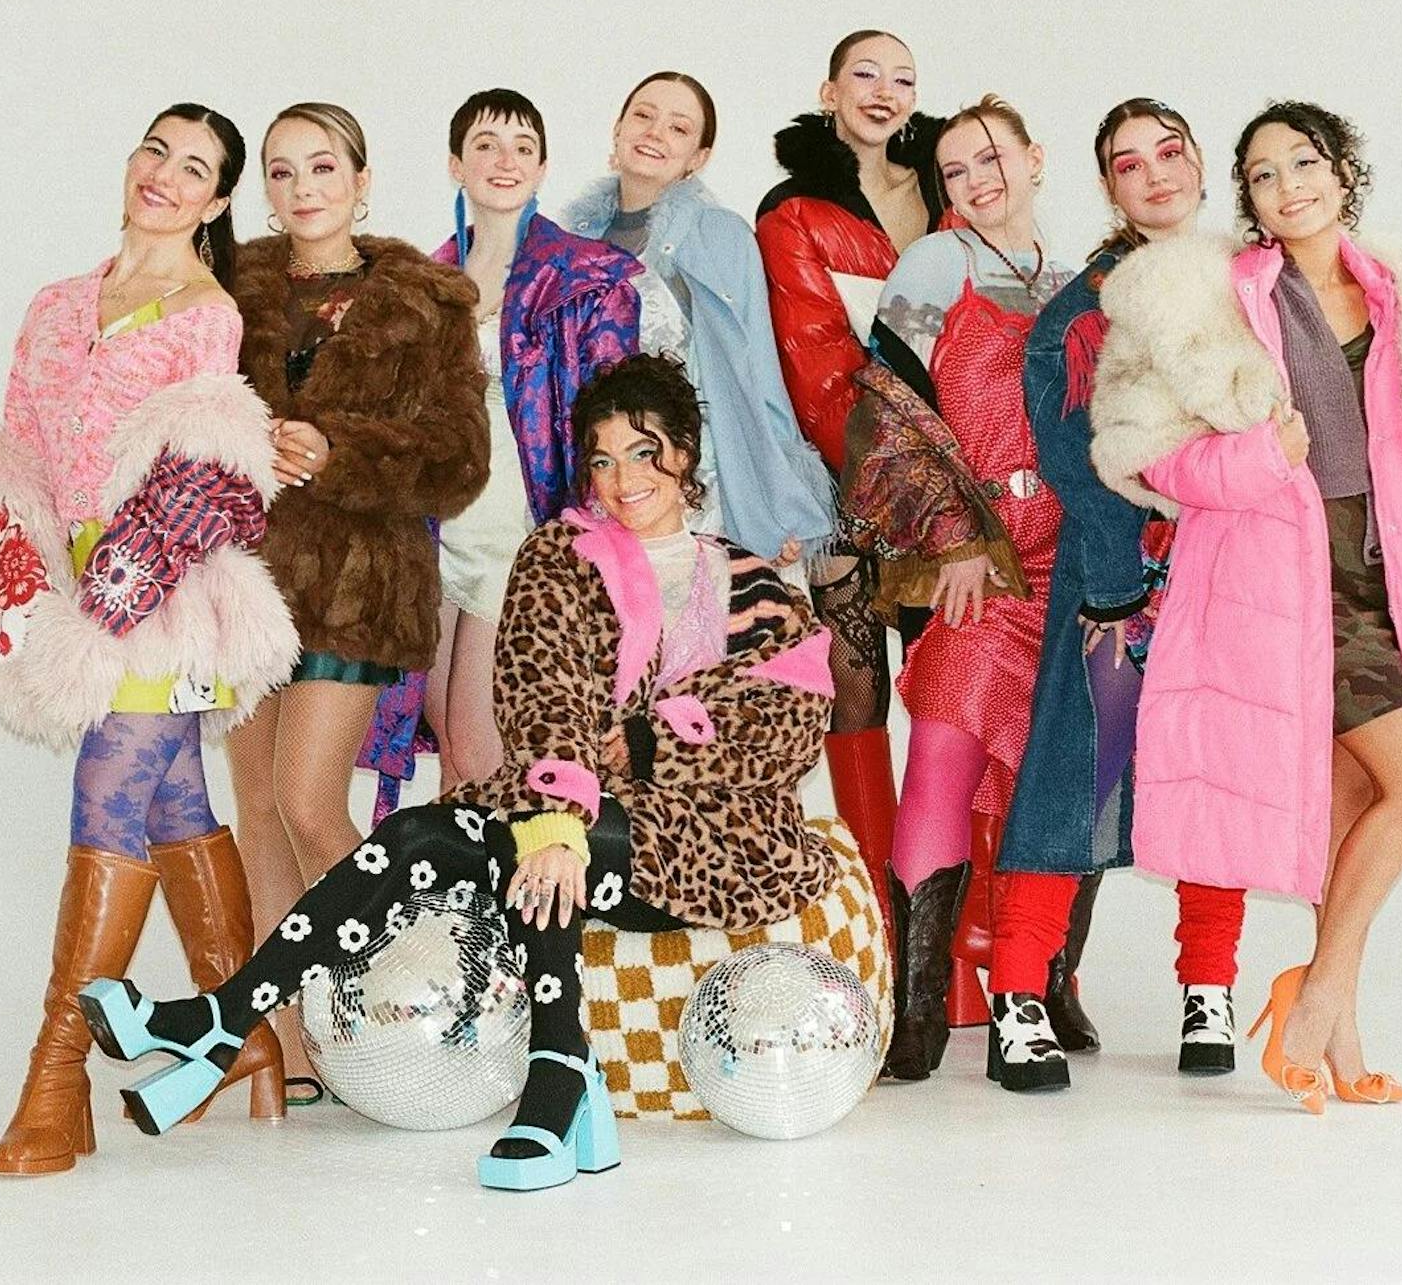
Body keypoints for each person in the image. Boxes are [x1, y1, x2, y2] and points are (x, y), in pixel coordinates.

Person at [76, 354, 842, 1192]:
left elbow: (791, 721)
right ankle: (244, 1018)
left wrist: (647, 742)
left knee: (537, 839)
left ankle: (228, 1024)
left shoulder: (754, 582)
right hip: (578, 821)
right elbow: (546, 697)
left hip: (723, 847)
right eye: (603, 459)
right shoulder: (561, 556)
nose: (623, 480)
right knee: (419, 834)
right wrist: (567, 809)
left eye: (643, 453)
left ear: (685, 454)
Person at [1091, 100, 1402, 1111]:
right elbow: (1154, 461)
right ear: (1248, 198)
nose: (1288, 187)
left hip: (1386, 587)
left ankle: (1336, 1036)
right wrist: (1254, 454)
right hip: (1283, 598)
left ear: (1343, 172)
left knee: (1357, 807)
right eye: (1264, 174)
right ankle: (1313, 1000)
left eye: (1304, 163)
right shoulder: (1215, 304)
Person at [0, 103, 297, 1174]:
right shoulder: (56, 303)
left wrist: (102, 615)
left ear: (215, 201)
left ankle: (56, 1074)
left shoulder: (207, 314)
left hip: (163, 587)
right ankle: (241, 1032)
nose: (164, 173)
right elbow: (20, 454)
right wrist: (28, 582)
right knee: (172, 803)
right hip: (72, 576)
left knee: (110, 793)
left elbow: (195, 480)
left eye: (193, 166)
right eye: (156, 149)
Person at [226, 102, 489, 1096]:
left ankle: (431, 995)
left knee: (308, 800)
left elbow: (461, 459)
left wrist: (339, 453)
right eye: (282, 170)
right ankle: (287, 1048)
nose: (303, 188)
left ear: (363, 179)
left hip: (356, 580)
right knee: (259, 809)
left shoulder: (426, 299)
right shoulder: (232, 287)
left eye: (323, 166)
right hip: (242, 580)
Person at [1000, 99, 1251, 1084]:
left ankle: (1208, 990)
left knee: (1214, 780)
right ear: (1107, 186)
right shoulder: (1080, 313)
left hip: (1227, 574)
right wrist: (1112, 589)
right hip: (1121, 580)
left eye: (1169, 152)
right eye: (1129, 162)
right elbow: (1077, 464)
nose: (1155, 174)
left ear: (1199, 163)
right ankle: (1018, 994)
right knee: (1074, 776)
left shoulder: (1249, 283)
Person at [842, 95, 1071, 1085]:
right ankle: (917, 998)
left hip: (1068, 566)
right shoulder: (936, 265)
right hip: (978, 559)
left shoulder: (1076, 281)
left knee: (1048, 777)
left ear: (1033, 157)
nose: (978, 179)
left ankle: (1040, 977)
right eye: (956, 169)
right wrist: (953, 538)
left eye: (991, 158)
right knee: (941, 751)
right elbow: (883, 409)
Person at [753, 28, 945, 927]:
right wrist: (904, 481)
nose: (884, 90)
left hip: (964, 481)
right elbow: (816, 364)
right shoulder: (793, 209)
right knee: (857, 687)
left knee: (954, 698)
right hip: (848, 476)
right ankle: (881, 911)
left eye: (902, 77)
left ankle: (949, 933)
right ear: (828, 90)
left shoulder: (951, 187)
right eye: (864, 73)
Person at [421, 89, 644, 792]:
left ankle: (520, 863)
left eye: (523, 147)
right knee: (448, 746)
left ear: (543, 167)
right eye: (485, 144)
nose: (504, 160)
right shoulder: (426, 279)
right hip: (439, 532)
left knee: (480, 743)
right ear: (456, 164)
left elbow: (615, 417)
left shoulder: (586, 277)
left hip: (520, 533)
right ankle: (463, 870)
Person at [562, 70, 835, 584]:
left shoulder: (719, 234)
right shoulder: (570, 246)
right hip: (609, 490)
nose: (655, 132)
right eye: (643, 116)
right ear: (617, 129)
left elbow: (757, 371)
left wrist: (779, 498)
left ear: (699, 157)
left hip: (700, 486)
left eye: (679, 127)